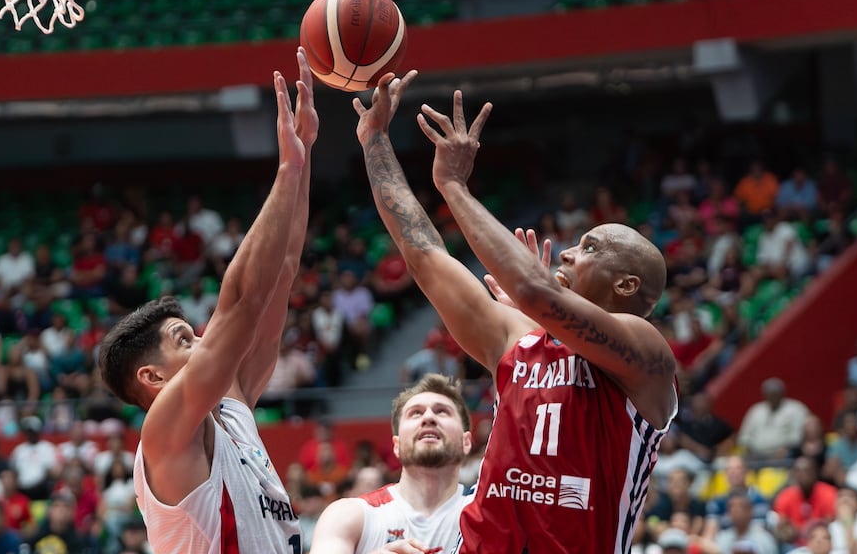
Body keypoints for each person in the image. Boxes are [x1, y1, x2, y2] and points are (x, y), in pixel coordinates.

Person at [354, 75, 677, 554]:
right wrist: (375, 141)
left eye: (587, 247)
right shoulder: (519, 339)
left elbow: (533, 288)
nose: (566, 253)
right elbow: (421, 255)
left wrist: (453, 188)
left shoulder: (645, 354)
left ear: (626, 285)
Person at [97, 51, 316, 554]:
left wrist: (303, 155)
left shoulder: (230, 407)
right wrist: (286, 168)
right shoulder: (164, 434)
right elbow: (241, 299)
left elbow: (280, 274)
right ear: (152, 377)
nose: (201, 337)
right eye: (183, 339)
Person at [309, 374, 473, 554]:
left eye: (442, 411)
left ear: (466, 442)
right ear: (397, 445)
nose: (428, 417)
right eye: (415, 413)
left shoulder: (489, 511)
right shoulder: (348, 515)